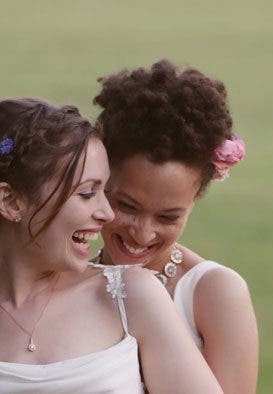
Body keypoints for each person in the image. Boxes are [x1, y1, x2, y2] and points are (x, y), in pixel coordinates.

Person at [0, 98, 222, 393]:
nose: (106, 213)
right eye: (86, 193)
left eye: (104, 191)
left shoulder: (130, 296)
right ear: (10, 202)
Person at [93, 60, 259, 393]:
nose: (142, 233)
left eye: (168, 217)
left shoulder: (214, 293)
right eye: (126, 206)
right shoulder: (63, 278)